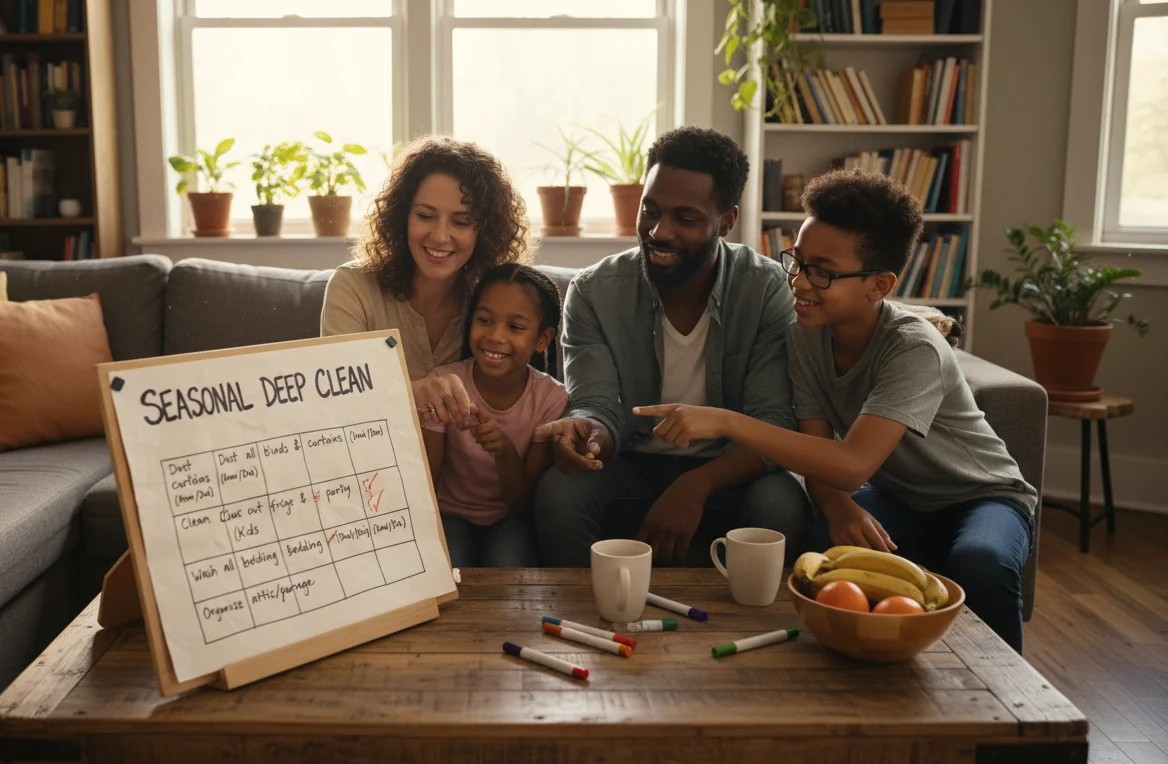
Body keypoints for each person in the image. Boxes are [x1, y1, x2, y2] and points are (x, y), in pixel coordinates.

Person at [633, 169, 1037, 652]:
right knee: (826, 537)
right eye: (797, 261)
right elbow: (816, 449)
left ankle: (1013, 706)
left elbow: (852, 464)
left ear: (879, 285)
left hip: (983, 496)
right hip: (900, 496)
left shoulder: (914, 349)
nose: (798, 281)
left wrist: (724, 420)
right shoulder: (806, 334)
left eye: (821, 271)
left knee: (980, 562)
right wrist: (834, 501)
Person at [533, 126, 811, 568]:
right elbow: (595, 404)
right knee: (560, 492)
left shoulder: (765, 290)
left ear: (725, 220)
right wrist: (587, 437)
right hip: (632, 464)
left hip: (728, 469)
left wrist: (695, 485)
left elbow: (771, 422)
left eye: (685, 218)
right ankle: (585, 623)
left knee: (779, 503)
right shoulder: (594, 292)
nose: (659, 231)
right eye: (651, 210)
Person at [321, 136, 531, 431]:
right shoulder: (352, 288)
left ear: (484, 231)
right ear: (401, 217)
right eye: (425, 216)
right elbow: (337, 403)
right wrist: (414, 393)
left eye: (461, 222)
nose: (440, 237)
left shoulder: (491, 302)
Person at [422, 264, 568, 567]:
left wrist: (505, 452)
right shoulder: (445, 384)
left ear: (542, 339)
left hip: (509, 519)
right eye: (485, 320)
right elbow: (428, 482)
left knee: (509, 564)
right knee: (452, 563)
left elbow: (524, 505)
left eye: (515, 327)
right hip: (450, 514)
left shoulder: (550, 399)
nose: (495, 336)